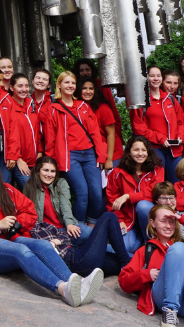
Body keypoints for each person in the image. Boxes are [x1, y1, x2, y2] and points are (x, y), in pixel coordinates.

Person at [0, 151, 103, 306]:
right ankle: (63, 289)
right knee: (21, 251)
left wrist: (14, 222)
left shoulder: (6, 189)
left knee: (43, 245)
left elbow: (30, 211)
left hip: (10, 237)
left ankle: (75, 284)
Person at [24, 156, 131, 276]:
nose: (49, 174)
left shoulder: (60, 183)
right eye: (45, 170)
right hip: (60, 241)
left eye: (52, 171)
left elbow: (65, 204)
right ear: (38, 171)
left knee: (114, 260)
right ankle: (127, 262)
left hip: (67, 232)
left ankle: (130, 262)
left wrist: (69, 224)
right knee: (107, 219)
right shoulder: (30, 191)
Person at [42, 72, 107, 226]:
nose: (70, 86)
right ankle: (77, 228)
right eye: (66, 83)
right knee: (82, 194)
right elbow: (50, 139)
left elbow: (95, 133)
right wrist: (50, 163)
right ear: (59, 85)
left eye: (72, 83)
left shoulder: (83, 106)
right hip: (69, 156)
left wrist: (101, 155)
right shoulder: (53, 109)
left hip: (90, 154)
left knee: (97, 194)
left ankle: (91, 224)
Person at [130, 66, 184, 183]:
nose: (156, 79)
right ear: (145, 78)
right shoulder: (140, 100)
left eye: (158, 76)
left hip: (174, 150)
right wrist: (161, 139)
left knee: (177, 185)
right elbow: (139, 129)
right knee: (157, 184)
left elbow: (182, 123)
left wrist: (180, 137)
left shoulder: (170, 99)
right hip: (154, 149)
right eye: (152, 76)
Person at [106, 136, 163, 253]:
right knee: (127, 248)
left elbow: (155, 193)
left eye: (143, 150)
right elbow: (112, 200)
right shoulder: (117, 172)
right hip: (128, 220)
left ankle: (151, 245)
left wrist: (128, 196)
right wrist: (120, 220)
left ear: (148, 152)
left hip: (150, 218)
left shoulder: (157, 170)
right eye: (136, 150)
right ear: (129, 152)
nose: (140, 153)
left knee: (142, 205)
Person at [79, 78, 123, 171]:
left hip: (112, 154)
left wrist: (109, 159)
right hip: (94, 155)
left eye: (91, 88)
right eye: (84, 88)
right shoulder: (79, 108)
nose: (88, 91)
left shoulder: (103, 108)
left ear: (95, 91)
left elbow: (111, 134)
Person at [74, 59, 123, 136]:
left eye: (87, 70)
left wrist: (117, 129)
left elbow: (112, 107)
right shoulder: (74, 87)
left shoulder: (101, 85)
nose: (85, 73)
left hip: (105, 127)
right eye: (81, 70)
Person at [10, 74, 42, 188]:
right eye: (20, 86)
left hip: (35, 161)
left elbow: (37, 130)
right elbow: (7, 135)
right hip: (19, 162)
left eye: (26, 86)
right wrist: (18, 159)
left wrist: (40, 151)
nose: (24, 89)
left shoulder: (31, 105)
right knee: (31, 191)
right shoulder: (8, 106)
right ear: (11, 87)